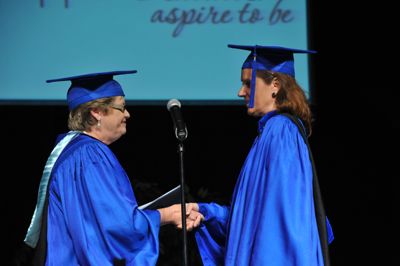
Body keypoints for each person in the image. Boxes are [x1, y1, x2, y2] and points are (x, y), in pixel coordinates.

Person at [21, 70, 202, 265]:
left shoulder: (73, 153)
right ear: (97, 112)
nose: (127, 114)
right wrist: (167, 214)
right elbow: (117, 228)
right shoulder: (90, 155)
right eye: (121, 108)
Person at [186, 45, 334, 265]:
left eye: (248, 83)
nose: (240, 92)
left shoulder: (281, 132)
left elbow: (282, 222)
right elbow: (249, 221)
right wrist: (205, 212)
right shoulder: (268, 134)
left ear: (275, 85)